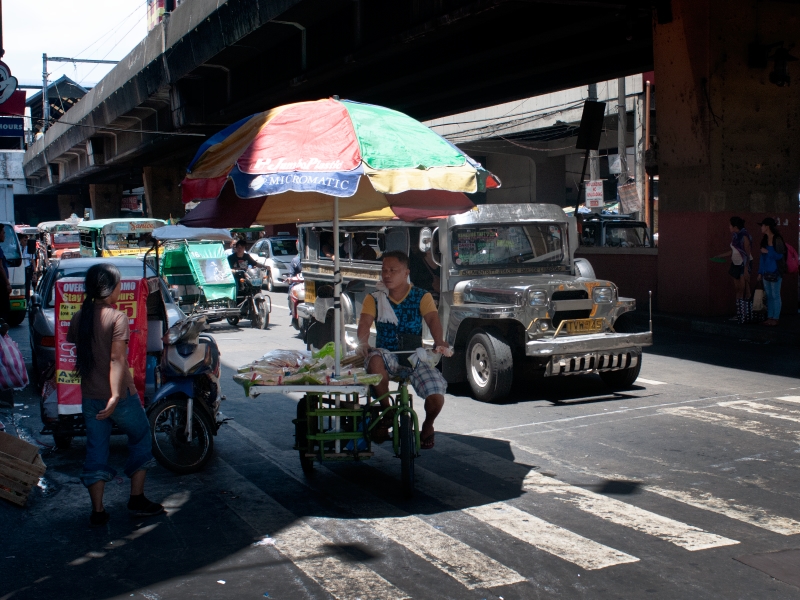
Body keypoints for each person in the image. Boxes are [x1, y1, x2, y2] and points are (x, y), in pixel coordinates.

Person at [67, 264, 163, 526]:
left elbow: (85, 352)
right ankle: (137, 498)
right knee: (141, 435)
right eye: (118, 284)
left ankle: (98, 511)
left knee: (96, 449)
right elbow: (116, 359)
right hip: (118, 396)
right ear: (110, 289)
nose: (120, 288)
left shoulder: (79, 317)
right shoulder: (117, 317)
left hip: (89, 395)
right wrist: (114, 396)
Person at [356, 251, 451, 450]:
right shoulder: (373, 298)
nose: (387, 275)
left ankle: (428, 424)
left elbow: (433, 319)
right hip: (386, 355)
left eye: (393, 270)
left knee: (436, 397)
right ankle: (388, 411)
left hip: (414, 355)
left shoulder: (421, 296)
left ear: (406, 272)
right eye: (384, 270)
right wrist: (363, 342)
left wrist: (439, 341)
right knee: (374, 360)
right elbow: (364, 323)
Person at [713, 216, 752, 324]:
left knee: (743, 289)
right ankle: (739, 314)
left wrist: (745, 269)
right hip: (735, 263)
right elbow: (733, 251)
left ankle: (745, 314)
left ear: (735, 227)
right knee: (738, 290)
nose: (729, 227)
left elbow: (747, 254)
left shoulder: (744, 237)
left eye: (730, 225)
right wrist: (721, 255)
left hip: (743, 264)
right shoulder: (735, 236)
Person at [756, 217, 787, 327]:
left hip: (776, 271)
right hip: (766, 272)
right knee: (769, 295)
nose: (761, 228)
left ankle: (776, 317)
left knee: (775, 295)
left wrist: (768, 251)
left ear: (767, 227)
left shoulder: (777, 239)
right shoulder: (764, 239)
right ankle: (770, 317)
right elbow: (762, 258)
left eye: (763, 226)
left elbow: (780, 255)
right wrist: (760, 272)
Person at [0, 226, 10, 324]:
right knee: (4, 310)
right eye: (3, 233)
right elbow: (0, 267)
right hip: (1, 285)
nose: (4, 235)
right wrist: (7, 283)